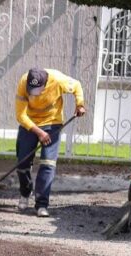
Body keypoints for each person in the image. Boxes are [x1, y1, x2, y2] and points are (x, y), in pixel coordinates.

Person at [15, 68, 85, 217]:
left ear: (45, 83)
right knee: (22, 162)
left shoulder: (58, 80)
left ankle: (41, 204)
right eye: (32, 90)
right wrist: (39, 133)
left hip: (52, 122)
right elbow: (20, 115)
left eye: (38, 90)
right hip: (29, 123)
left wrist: (80, 104)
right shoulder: (23, 82)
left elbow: (77, 86)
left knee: (48, 164)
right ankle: (25, 193)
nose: (34, 93)